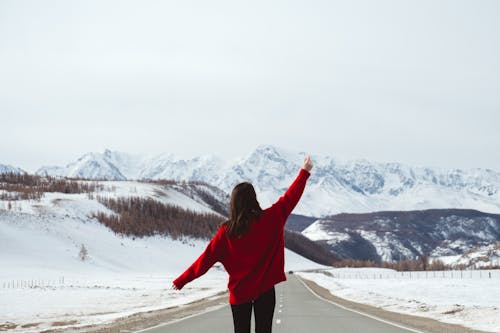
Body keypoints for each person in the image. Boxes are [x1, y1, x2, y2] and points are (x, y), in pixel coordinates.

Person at [172, 155, 313, 333]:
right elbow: (290, 197)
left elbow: (205, 260)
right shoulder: (272, 219)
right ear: (254, 199)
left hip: (239, 293)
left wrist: (182, 280)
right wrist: (304, 172)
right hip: (265, 291)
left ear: (233, 204)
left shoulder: (226, 233)